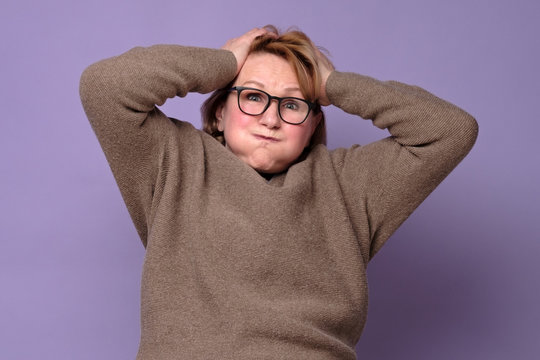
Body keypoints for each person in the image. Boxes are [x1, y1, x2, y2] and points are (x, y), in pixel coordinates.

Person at [80, 26, 478, 360]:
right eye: (252, 96)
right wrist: (221, 63)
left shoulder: (349, 184)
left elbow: (451, 130)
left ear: (312, 121)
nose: (271, 119)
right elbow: (105, 86)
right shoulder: (173, 161)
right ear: (220, 109)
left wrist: (333, 84)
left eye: (292, 104)